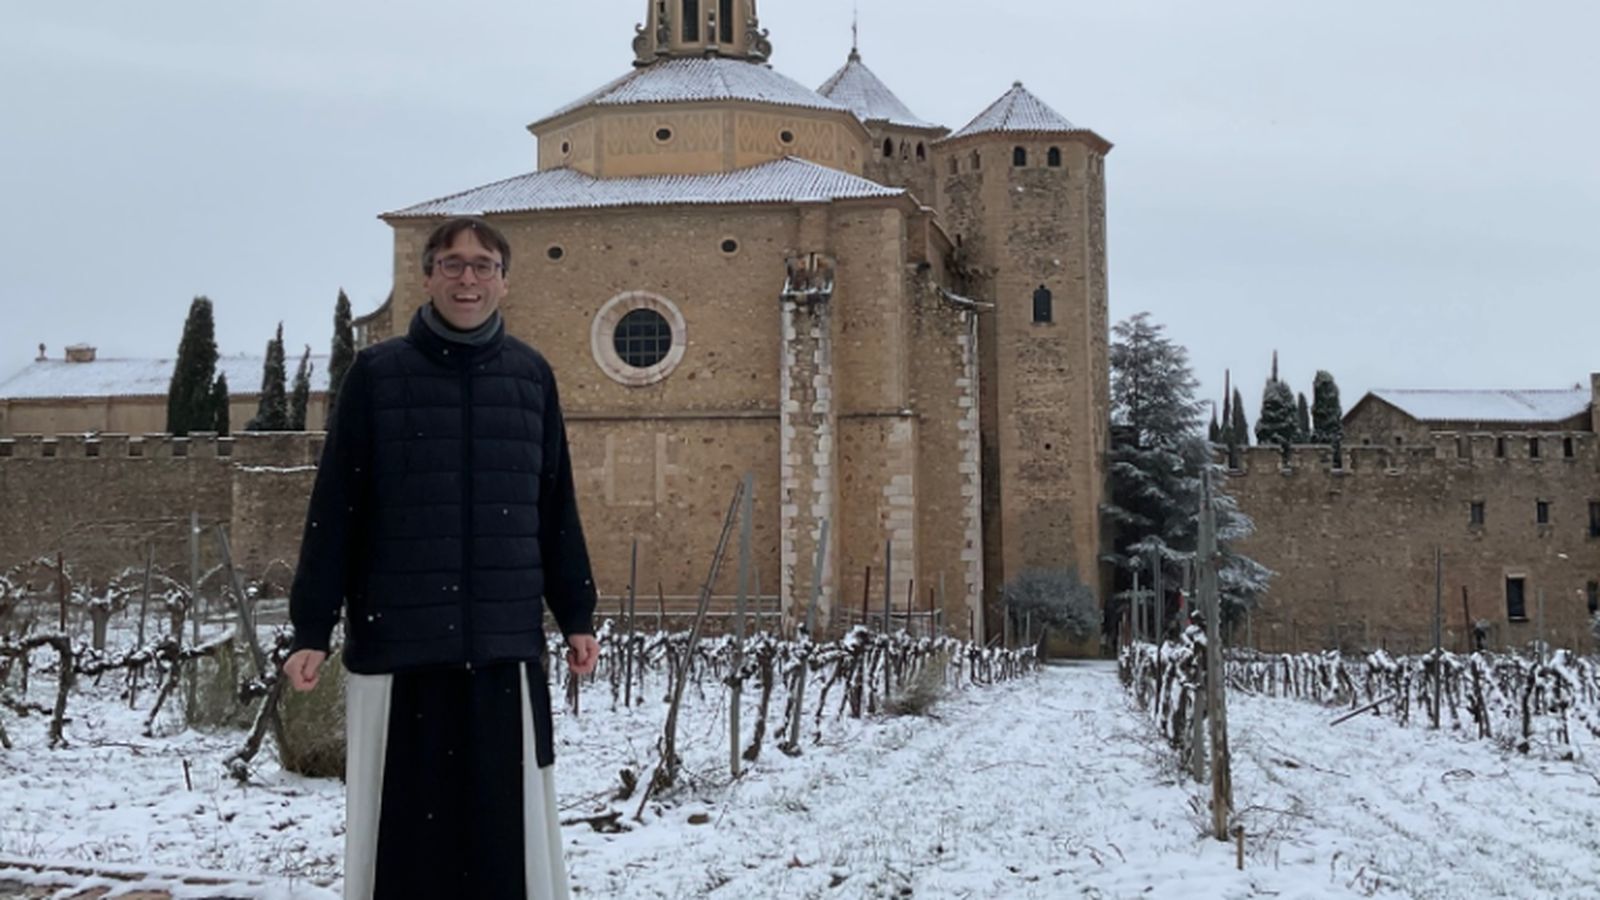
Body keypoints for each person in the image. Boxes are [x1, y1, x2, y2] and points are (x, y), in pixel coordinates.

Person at [282, 216, 600, 900]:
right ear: (425, 277)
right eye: (452, 265)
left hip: (501, 646)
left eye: (483, 266)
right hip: (401, 649)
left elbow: (555, 506)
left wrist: (577, 613)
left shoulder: (531, 378)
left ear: (504, 283)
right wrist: (312, 627)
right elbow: (337, 507)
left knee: (502, 847)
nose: (467, 278)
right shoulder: (376, 375)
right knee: (403, 852)